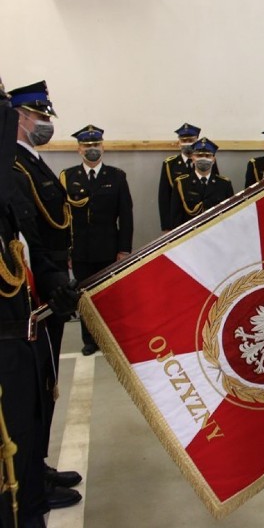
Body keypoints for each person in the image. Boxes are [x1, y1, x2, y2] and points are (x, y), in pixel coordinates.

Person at [7, 80, 83, 511]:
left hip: (53, 279)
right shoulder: (15, 166)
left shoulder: (31, 162)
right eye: (40, 118)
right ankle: (32, 473)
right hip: (38, 286)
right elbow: (28, 233)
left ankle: (39, 463)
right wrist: (52, 278)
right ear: (19, 118)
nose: (46, 124)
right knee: (37, 386)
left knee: (48, 381)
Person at [60, 125, 133, 355]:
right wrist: (66, 252)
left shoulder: (117, 176)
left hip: (109, 249)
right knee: (85, 297)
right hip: (80, 250)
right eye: (87, 145)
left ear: (103, 147)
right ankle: (90, 339)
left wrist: (124, 250)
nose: (92, 149)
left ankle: (114, 338)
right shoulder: (68, 177)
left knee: (112, 296)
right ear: (79, 149)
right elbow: (63, 218)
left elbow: (126, 215)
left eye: (96, 145)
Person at [169, 138, 234, 228]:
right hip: (190, 235)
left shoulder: (224, 184)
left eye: (208, 156)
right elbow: (176, 217)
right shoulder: (181, 183)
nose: (204, 159)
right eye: (199, 156)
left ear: (213, 159)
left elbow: (229, 216)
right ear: (192, 158)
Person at [158, 123, 204, 231]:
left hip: (202, 220)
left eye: (191, 140)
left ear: (197, 140)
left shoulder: (205, 161)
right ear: (178, 142)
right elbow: (164, 198)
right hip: (178, 222)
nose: (187, 143)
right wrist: (166, 227)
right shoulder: (170, 164)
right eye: (184, 140)